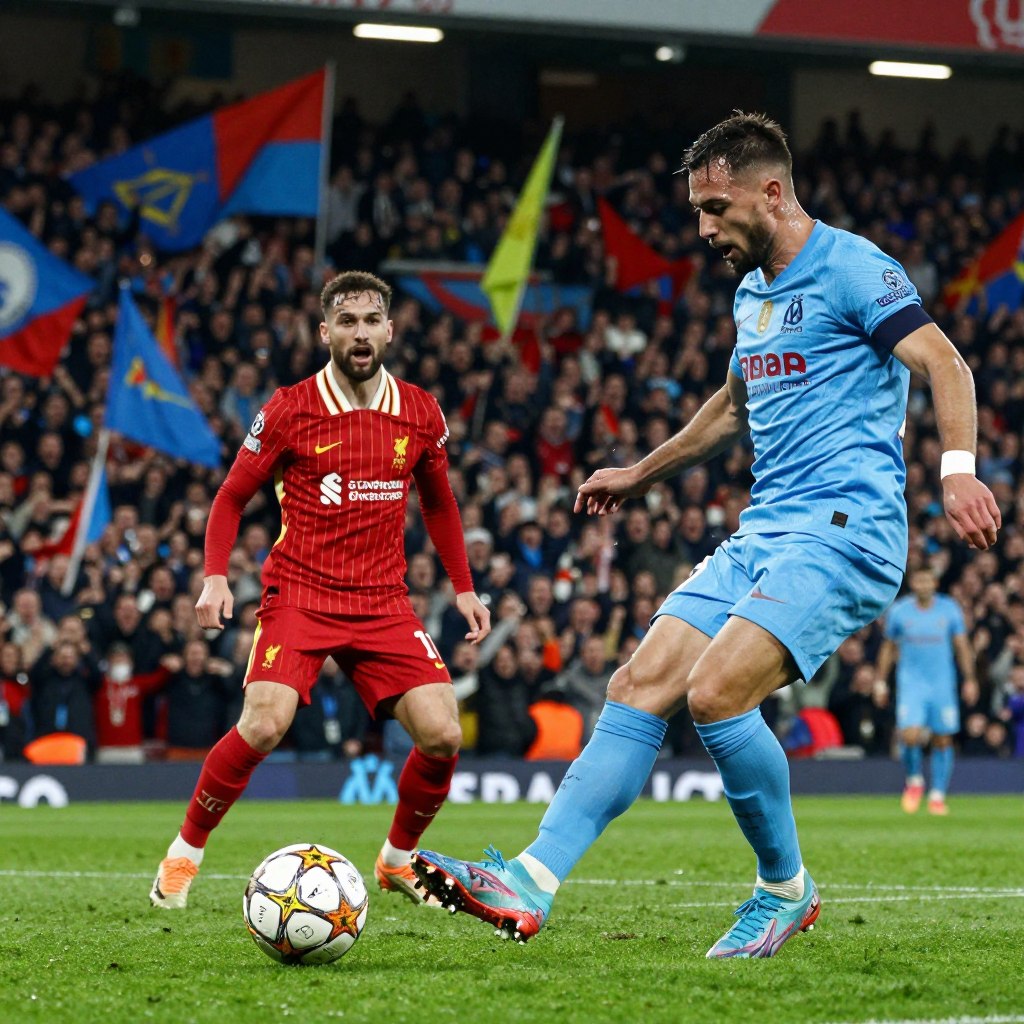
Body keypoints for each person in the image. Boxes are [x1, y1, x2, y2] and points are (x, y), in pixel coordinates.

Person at [412, 112, 1000, 958]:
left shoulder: (853, 267)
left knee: (716, 693)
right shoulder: (751, 294)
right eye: (697, 211)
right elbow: (733, 407)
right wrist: (638, 473)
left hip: (845, 531)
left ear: (771, 190)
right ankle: (530, 879)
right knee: (638, 682)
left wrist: (957, 471)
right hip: (767, 532)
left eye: (717, 208)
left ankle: (783, 890)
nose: (704, 229)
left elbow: (945, 363)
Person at [150, 270, 490, 909]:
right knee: (264, 724)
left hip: (383, 601)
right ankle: (184, 853)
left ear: (389, 331)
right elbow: (230, 497)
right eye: (347, 322)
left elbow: (440, 504)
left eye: (370, 323)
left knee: (444, 735)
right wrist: (215, 575)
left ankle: (395, 860)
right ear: (325, 331)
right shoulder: (289, 408)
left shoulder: (420, 411)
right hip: (301, 592)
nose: (359, 335)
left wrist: (464, 587)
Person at [874, 568, 977, 815]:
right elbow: (888, 648)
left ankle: (938, 795)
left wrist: (970, 679)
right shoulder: (899, 611)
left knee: (942, 738)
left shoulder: (949, 608)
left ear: (935, 583)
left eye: (927, 580)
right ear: (913, 583)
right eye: (919, 580)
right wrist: (880, 681)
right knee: (909, 735)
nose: (923, 584)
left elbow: (961, 646)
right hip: (912, 683)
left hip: (942, 683)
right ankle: (914, 781)